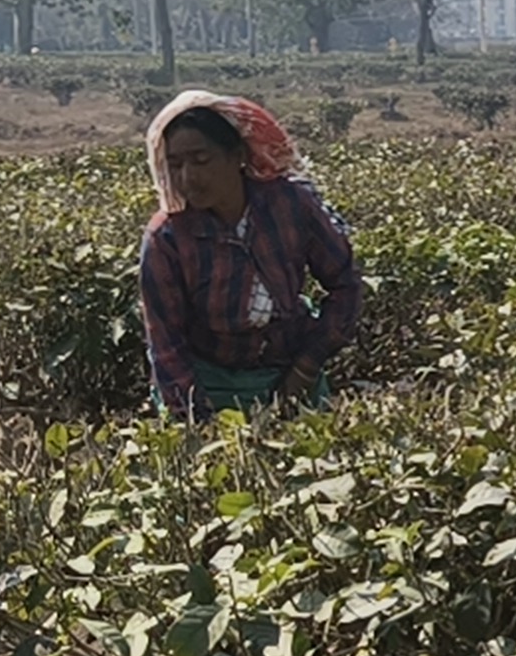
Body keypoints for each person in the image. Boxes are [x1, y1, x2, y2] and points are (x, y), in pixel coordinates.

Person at [139, 91, 364, 419]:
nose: (188, 177)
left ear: (236, 156)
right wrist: (196, 420)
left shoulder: (291, 206)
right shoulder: (167, 238)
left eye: (201, 161)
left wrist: (304, 368)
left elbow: (346, 285)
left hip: (289, 372)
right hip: (207, 383)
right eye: (175, 165)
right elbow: (165, 342)